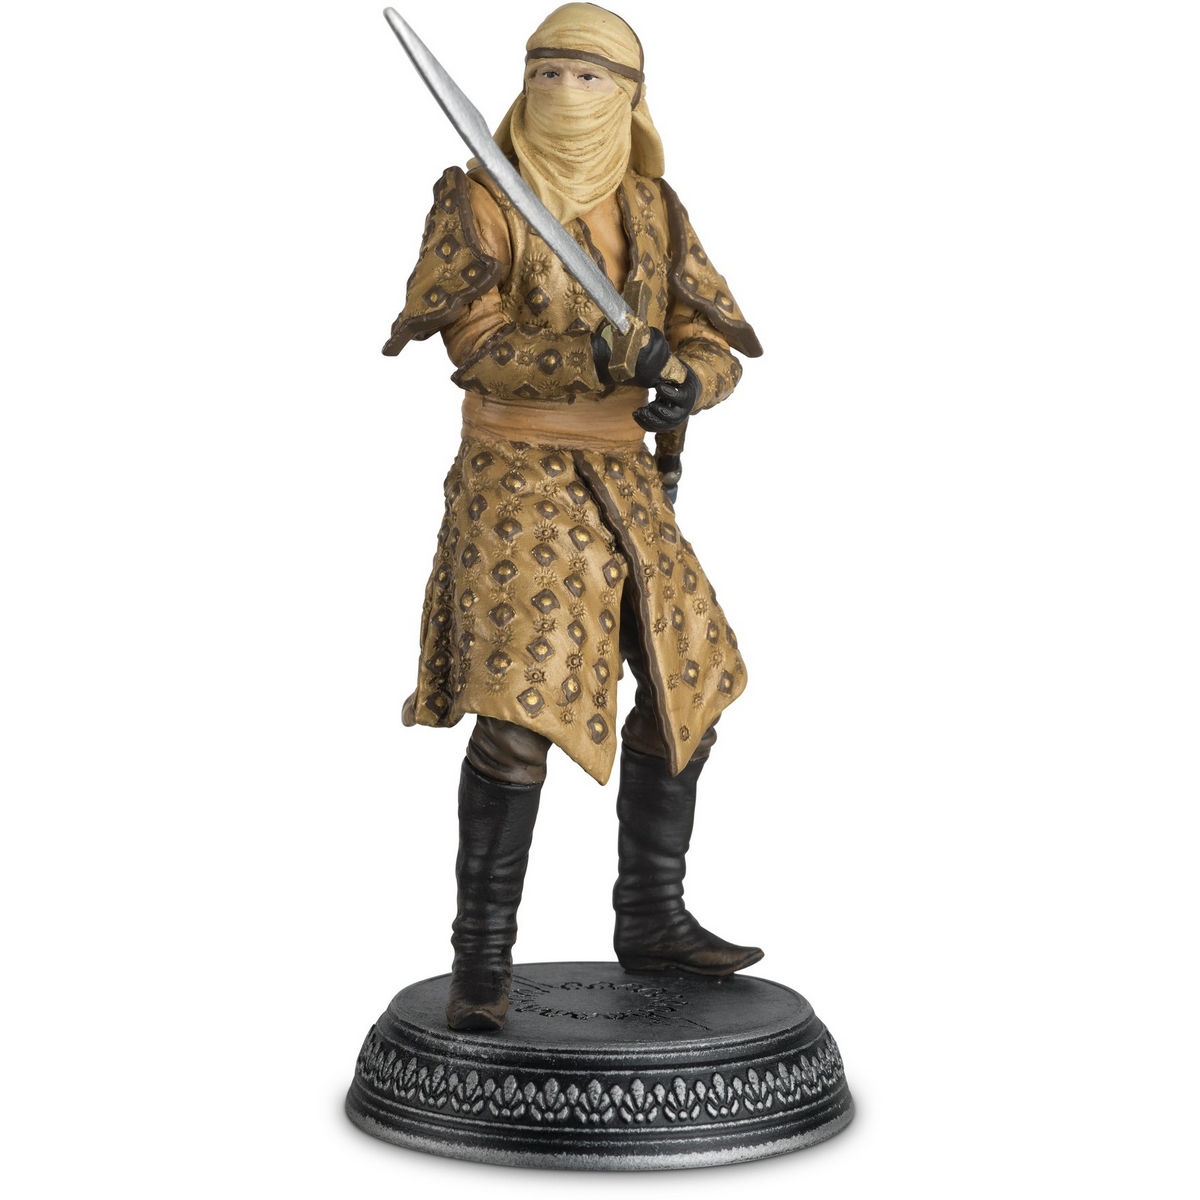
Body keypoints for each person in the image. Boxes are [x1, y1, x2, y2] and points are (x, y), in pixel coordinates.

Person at [383, 3, 764, 1031]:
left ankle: (652, 915)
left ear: (630, 97)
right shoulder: (480, 200)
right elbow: (476, 347)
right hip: (517, 474)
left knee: (691, 682)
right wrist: (592, 357)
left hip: (626, 476)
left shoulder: (652, 207)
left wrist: (689, 383)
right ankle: (480, 963)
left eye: (588, 76)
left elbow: (707, 335)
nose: (563, 91)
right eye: (545, 71)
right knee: (521, 711)